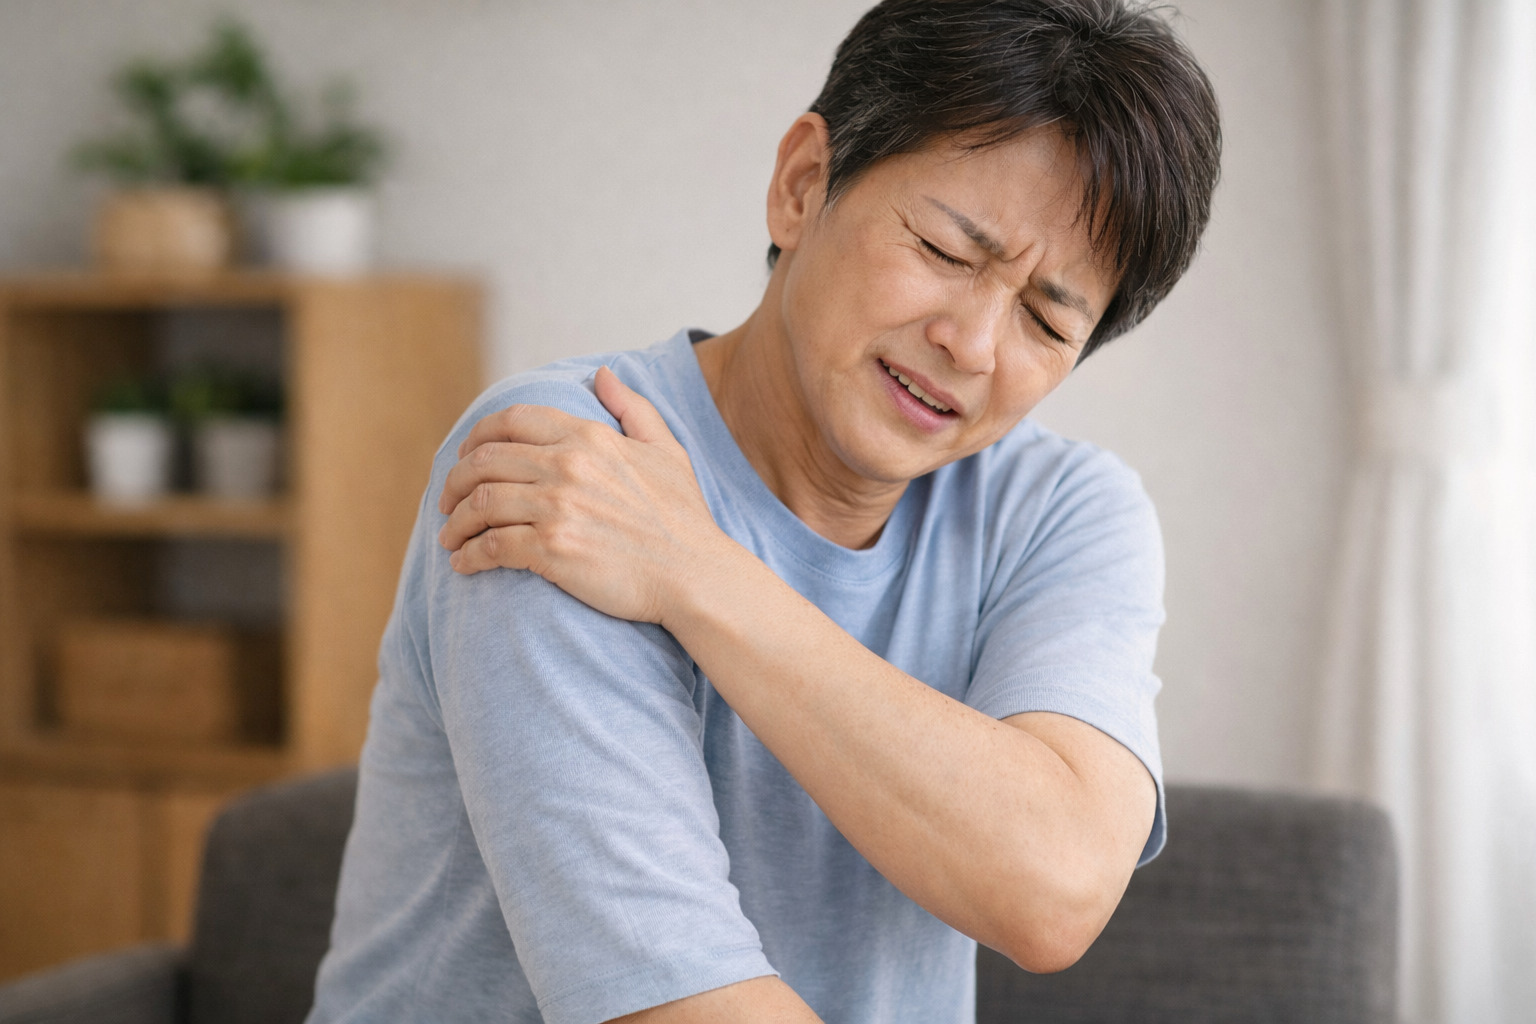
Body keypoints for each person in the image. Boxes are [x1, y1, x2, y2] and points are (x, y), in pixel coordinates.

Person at [306, 1, 1220, 1021]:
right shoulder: (570, 462)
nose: (970, 344)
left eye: (1045, 320)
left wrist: (696, 572)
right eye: (945, 250)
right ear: (801, 185)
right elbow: (677, 1004)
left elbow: (1052, 892)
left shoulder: (1060, 511)